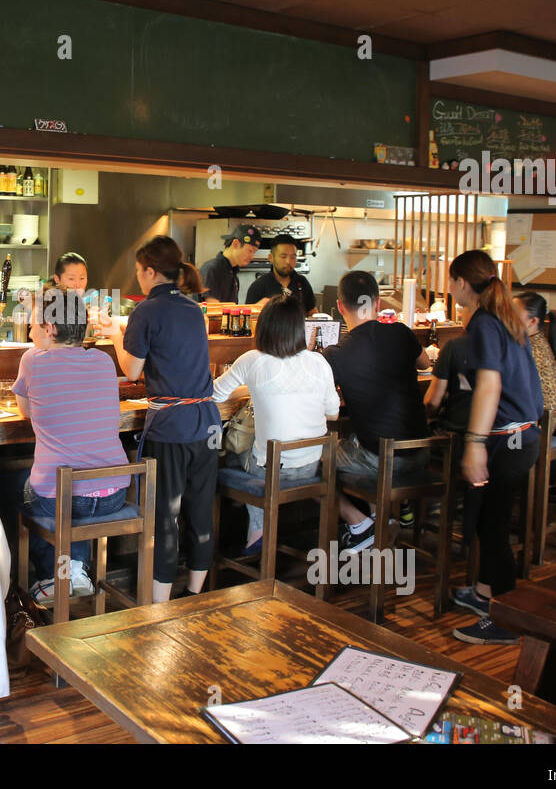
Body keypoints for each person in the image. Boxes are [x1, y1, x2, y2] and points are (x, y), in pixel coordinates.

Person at [101, 236, 219, 601]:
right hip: (207, 420)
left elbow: (132, 370)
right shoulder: (193, 308)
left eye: (139, 272)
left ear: (150, 271)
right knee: (200, 510)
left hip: (171, 426)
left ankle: (160, 604)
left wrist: (115, 335)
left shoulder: (145, 311)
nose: (138, 278)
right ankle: (194, 594)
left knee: (165, 515)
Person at [446, 251, 544, 646]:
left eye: (452, 281)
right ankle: (484, 593)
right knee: (490, 521)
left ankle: (503, 618)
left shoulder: (486, 322)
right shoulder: (503, 316)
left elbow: (490, 386)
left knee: (493, 525)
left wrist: (474, 445)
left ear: (462, 284)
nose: (451, 288)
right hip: (523, 433)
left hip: (508, 437)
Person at [13, 287, 130, 604]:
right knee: (67, 483)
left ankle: (51, 578)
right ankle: (75, 570)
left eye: (34, 322)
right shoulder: (105, 361)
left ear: (50, 328)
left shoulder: (32, 360)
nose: (29, 328)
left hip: (64, 498)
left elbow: (25, 411)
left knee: (22, 485)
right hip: (115, 495)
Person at [212, 295, 339, 554]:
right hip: (312, 468)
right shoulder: (319, 361)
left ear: (264, 327)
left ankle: (256, 529)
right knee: (256, 452)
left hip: (271, 473)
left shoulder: (253, 359)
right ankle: (255, 525)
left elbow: (215, 395)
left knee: (231, 454)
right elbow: (333, 413)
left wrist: (251, 390)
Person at [322, 270, 430, 552]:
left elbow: (320, 396)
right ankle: (382, 518)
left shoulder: (337, 354)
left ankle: (360, 525)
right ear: (378, 303)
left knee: (313, 460)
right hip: (422, 452)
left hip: (382, 458)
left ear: (341, 307)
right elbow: (424, 363)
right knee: (360, 439)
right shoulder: (401, 332)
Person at [516, 292, 556, 413]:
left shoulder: (532, 348)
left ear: (532, 321)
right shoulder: (535, 342)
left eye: (513, 314)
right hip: (538, 416)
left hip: (537, 422)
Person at [244, 235, 316, 313]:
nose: (288, 262)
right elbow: (249, 317)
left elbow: (312, 312)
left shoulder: (302, 282)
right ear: (271, 258)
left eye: (293, 257)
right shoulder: (259, 286)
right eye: (283, 257)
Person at [198, 224, 260, 304]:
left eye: (254, 252)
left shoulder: (233, 274)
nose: (252, 257)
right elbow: (213, 308)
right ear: (235, 244)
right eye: (250, 251)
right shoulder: (212, 269)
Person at [424, 335, 472, 437]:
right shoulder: (511, 343)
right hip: (507, 430)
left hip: (460, 430)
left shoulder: (455, 346)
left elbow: (432, 402)